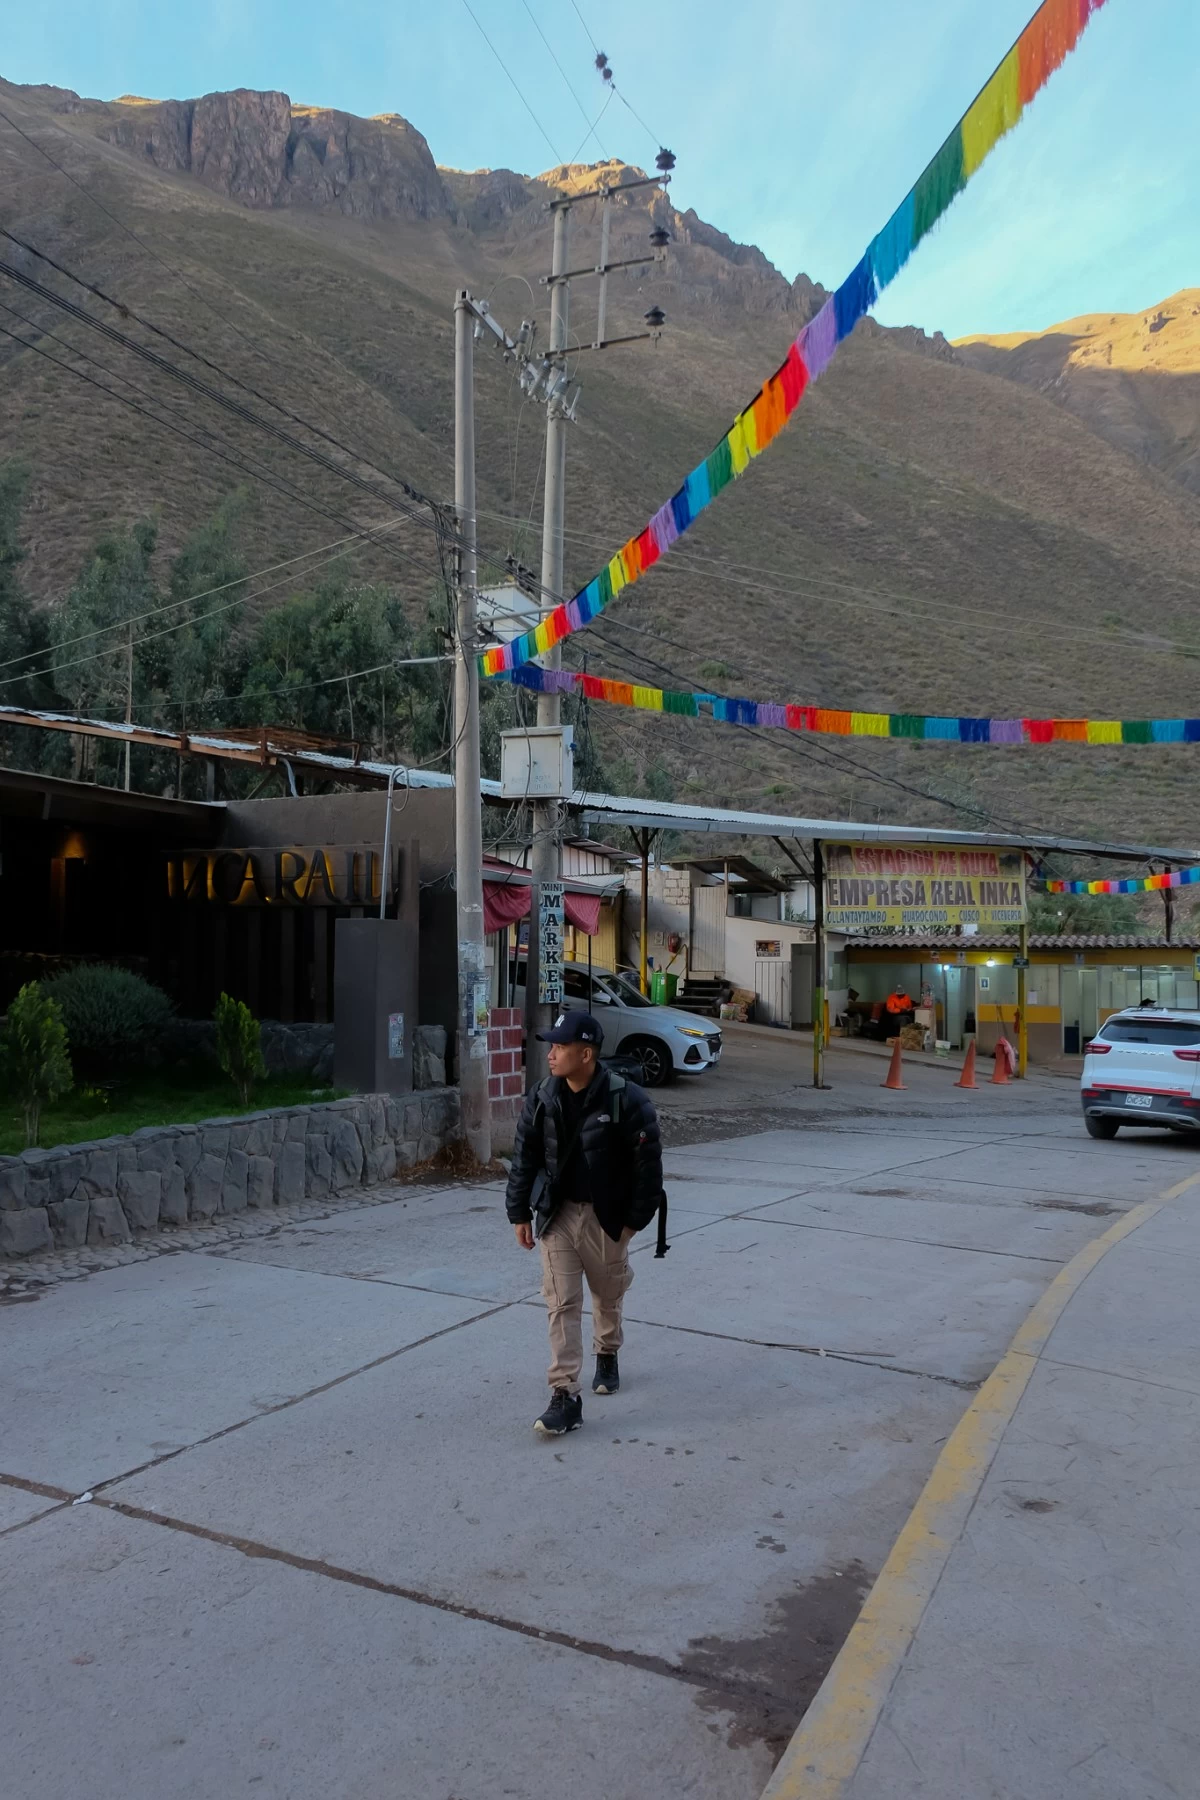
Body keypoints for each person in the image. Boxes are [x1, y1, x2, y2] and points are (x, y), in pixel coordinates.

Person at [505, 1010, 666, 1437]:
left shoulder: (628, 1100)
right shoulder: (543, 1095)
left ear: (586, 1053)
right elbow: (525, 1157)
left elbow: (649, 1172)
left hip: (607, 1217)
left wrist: (630, 1226)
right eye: (552, 1046)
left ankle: (607, 1351)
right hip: (557, 1215)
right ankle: (565, 1395)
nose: (552, 1054)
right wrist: (519, 1212)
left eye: (560, 1047)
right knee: (561, 1302)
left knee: (607, 1292)